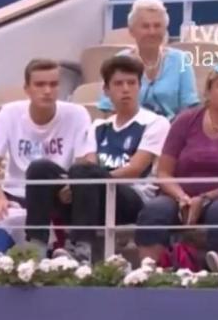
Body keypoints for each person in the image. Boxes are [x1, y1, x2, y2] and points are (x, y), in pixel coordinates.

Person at [53, 55, 170, 261]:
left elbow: (135, 169)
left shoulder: (155, 123)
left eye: (132, 83)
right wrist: (83, 183)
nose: (125, 89)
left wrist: (87, 182)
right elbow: (88, 163)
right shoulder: (99, 126)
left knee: (82, 174)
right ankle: (35, 246)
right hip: (96, 196)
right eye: (118, 84)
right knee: (42, 170)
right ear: (106, 90)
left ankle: (80, 249)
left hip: (133, 198)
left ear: (139, 86)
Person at [0, 58, 96, 260]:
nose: (47, 90)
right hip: (15, 194)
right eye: (40, 85)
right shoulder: (9, 113)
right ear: (27, 89)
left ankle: (43, 255)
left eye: (53, 84)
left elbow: (87, 160)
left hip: (58, 193)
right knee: (1, 217)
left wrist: (72, 186)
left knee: (41, 168)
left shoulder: (77, 113)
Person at [136, 63, 218, 269]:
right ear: (209, 90)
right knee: (155, 210)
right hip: (179, 196)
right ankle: (147, 273)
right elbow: (164, 171)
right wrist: (182, 198)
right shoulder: (186, 120)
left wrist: (204, 199)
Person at [96, 0, 200, 119]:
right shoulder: (118, 62)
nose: (152, 32)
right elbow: (108, 109)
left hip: (171, 133)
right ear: (132, 30)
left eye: (157, 26)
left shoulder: (180, 60)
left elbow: (189, 109)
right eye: (145, 26)